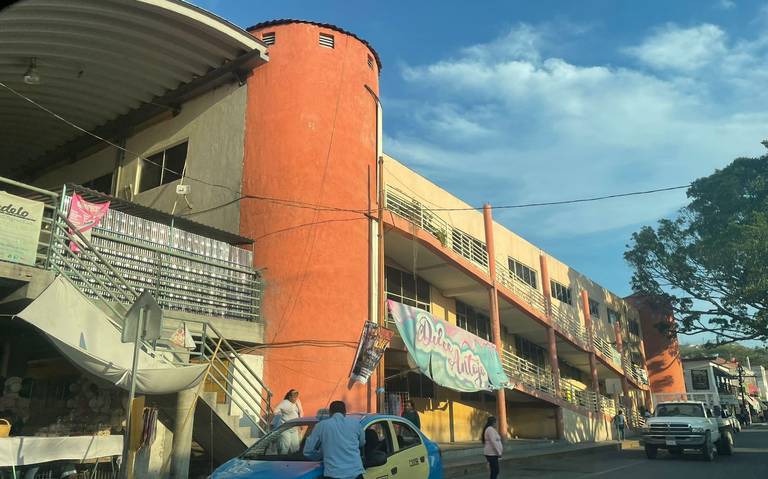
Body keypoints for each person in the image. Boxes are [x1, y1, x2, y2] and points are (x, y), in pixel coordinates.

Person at [304, 400, 366, 479]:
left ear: (330, 412)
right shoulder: (356, 423)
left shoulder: (321, 426)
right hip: (355, 473)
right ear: (345, 412)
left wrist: (321, 455)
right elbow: (361, 442)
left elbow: (308, 451)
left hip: (334, 474)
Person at [274, 389, 304, 454]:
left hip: (294, 428)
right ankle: (282, 461)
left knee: (295, 447)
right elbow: (275, 411)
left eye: (296, 397)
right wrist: (282, 414)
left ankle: (294, 461)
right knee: (285, 446)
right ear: (289, 397)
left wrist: (301, 422)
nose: (295, 399)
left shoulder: (298, 401)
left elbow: (301, 411)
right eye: (294, 397)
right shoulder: (284, 402)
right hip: (286, 428)